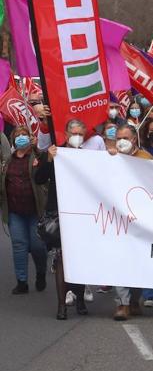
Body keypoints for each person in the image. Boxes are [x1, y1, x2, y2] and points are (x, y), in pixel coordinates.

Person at [34, 119, 89, 319]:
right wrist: (48, 159)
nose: (76, 136)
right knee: (60, 259)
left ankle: (80, 299)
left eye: (80, 133)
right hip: (58, 213)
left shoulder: (89, 157)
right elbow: (39, 178)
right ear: (66, 134)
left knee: (79, 259)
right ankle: (61, 306)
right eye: (73, 132)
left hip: (82, 214)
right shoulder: (55, 153)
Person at [109, 126, 152, 321]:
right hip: (117, 220)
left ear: (134, 139)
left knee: (139, 262)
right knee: (120, 260)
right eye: (118, 138)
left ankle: (134, 299)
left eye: (125, 137)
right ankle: (122, 303)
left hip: (142, 220)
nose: (121, 141)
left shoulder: (145, 157)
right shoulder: (109, 157)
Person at [0, 126, 47, 295]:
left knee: (37, 246)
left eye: (24, 135)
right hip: (15, 211)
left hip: (35, 211)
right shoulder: (8, 161)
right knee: (19, 245)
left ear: (30, 138)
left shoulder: (36, 157)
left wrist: (37, 151)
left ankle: (41, 273)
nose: (21, 138)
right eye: (17, 135)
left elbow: (46, 166)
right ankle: (22, 282)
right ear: (13, 140)